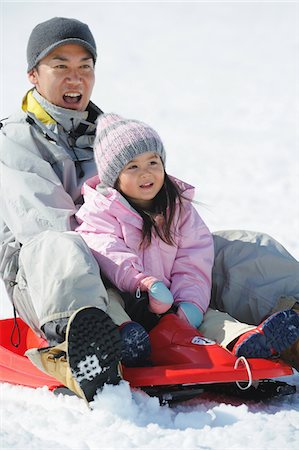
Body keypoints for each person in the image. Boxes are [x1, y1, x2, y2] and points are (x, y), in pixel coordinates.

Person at [0, 17, 298, 404]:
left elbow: (160, 203)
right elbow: (47, 226)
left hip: (140, 267)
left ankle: (291, 320)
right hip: (51, 279)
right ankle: (87, 344)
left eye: (84, 67)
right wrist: (141, 275)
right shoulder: (14, 140)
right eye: (61, 66)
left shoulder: (114, 136)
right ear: (33, 75)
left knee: (237, 245)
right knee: (64, 246)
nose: (75, 78)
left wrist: (167, 251)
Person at [75, 112, 299, 369]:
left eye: (153, 162)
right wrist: (143, 282)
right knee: (109, 305)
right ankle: (125, 339)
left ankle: (245, 340)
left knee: (211, 318)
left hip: (171, 300)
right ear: (114, 176)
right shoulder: (100, 211)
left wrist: (189, 303)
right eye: (133, 167)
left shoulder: (178, 208)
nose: (146, 173)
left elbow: (193, 259)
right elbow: (108, 251)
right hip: (127, 295)